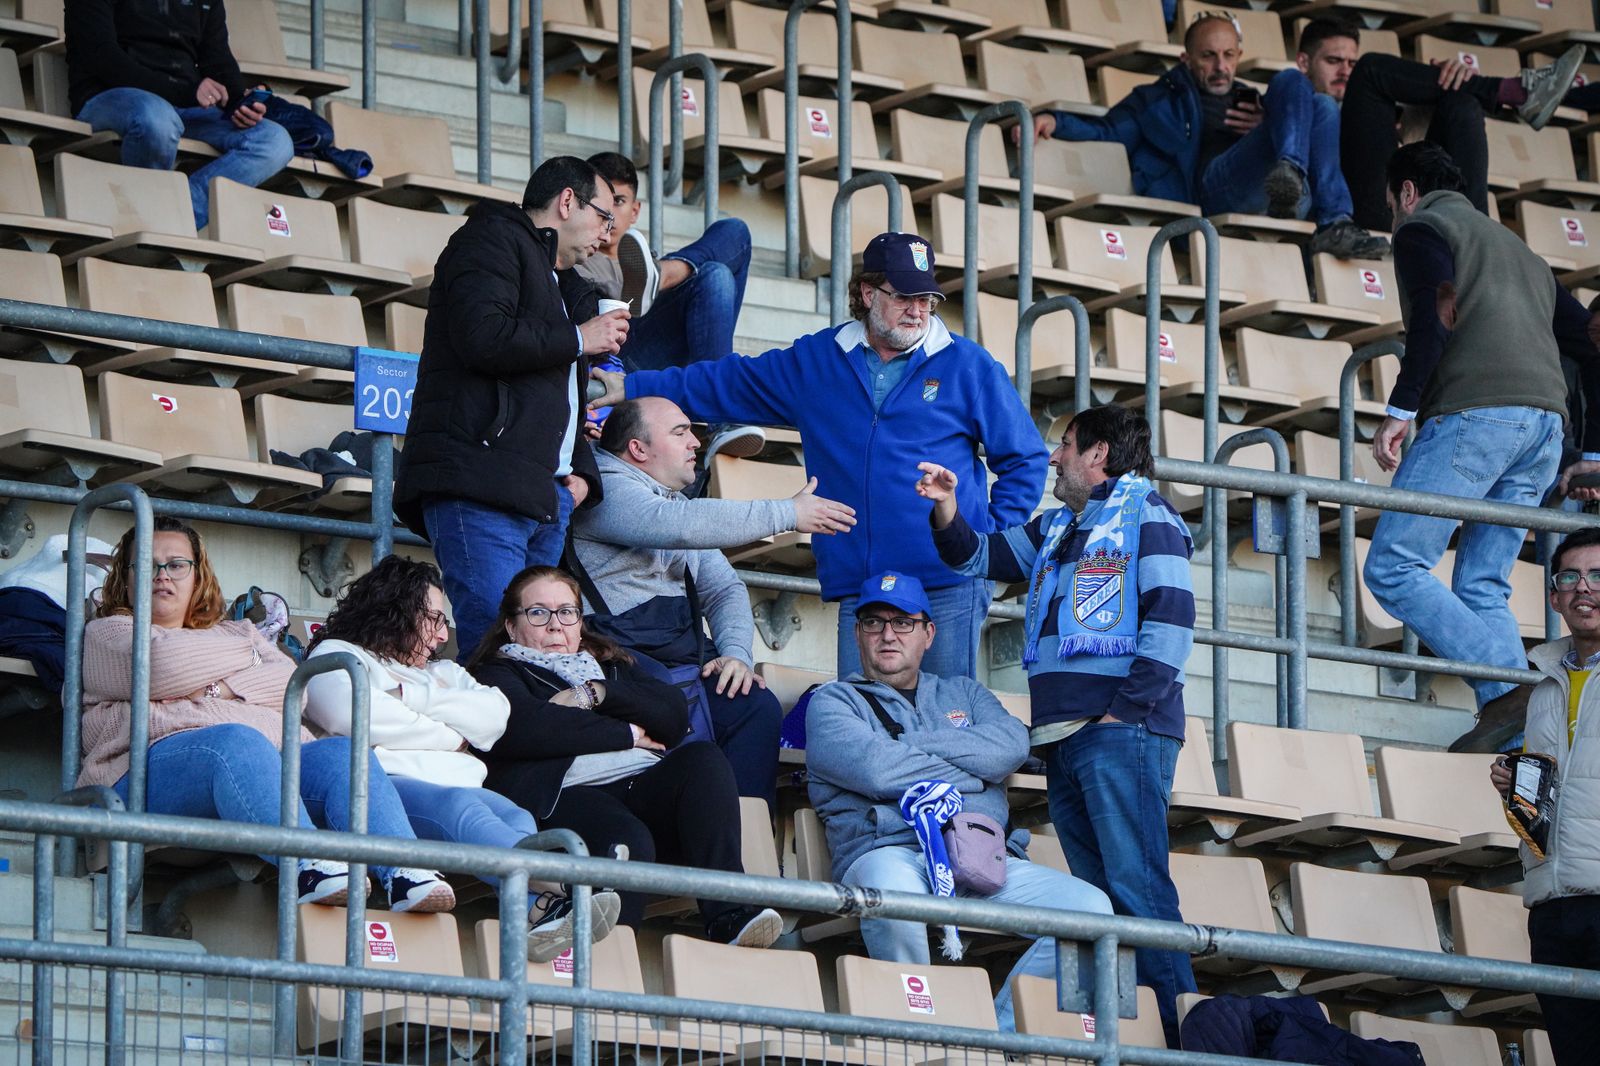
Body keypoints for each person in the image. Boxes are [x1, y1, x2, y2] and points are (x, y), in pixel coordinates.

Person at [589, 231, 1048, 680]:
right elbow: (728, 383)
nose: (917, 311)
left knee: (949, 724)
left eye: (926, 299)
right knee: (865, 731)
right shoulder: (819, 359)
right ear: (867, 293)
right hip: (861, 585)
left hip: (948, 583)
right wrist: (632, 386)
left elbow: (1025, 459)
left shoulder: (969, 364)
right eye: (903, 296)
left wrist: (986, 552)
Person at [920, 404, 1197, 1047]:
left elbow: (1171, 619)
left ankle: (1185, 1037)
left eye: (1066, 445)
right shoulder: (1056, 528)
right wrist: (945, 508)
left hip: (1119, 734)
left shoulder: (1147, 515)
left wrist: (1122, 711)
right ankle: (1123, 1039)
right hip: (1067, 739)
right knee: (1099, 900)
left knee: (1139, 891)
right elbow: (977, 559)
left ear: (1099, 455)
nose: (1054, 457)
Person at [78, 517, 454, 913]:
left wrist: (212, 685)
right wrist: (249, 653)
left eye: (176, 564)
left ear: (197, 574)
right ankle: (305, 865)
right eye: (146, 565)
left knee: (341, 753)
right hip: (138, 777)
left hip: (252, 771)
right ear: (126, 576)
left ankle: (406, 872)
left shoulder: (233, 631)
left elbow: (293, 687)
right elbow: (162, 664)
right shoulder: (110, 631)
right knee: (236, 739)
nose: (162, 576)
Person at [1363, 142, 1598, 754]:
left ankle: (1519, 691)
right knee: (1483, 587)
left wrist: (1399, 409)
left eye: (1392, 204)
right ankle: (1515, 716)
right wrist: (1594, 450)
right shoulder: (1523, 253)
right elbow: (1591, 348)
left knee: (1393, 565)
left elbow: (1434, 316)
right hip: (1544, 430)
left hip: (1476, 417)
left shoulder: (1422, 228)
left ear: (1407, 192)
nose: (1394, 216)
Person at [806, 570, 1114, 1032]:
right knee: (895, 897)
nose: (888, 634)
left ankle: (1000, 1036)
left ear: (928, 634)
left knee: (1093, 913)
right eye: (873, 622)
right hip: (891, 852)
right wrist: (973, 771)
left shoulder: (964, 693)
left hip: (979, 856)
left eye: (903, 622)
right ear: (858, 633)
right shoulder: (834, 701)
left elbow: (1011, 747)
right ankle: (916, 1037)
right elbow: (875, 770)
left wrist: (915, 744)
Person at [303, 555, 621, 962]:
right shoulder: (337, 654)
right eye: (433, 619)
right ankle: (563, 885)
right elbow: (350, 714)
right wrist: (451, 735)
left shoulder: (443, 673)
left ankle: (535, 912)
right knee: (459, 809)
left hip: (461, 784)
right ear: (395, 610)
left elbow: (494, 718)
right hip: (385, 787)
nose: (440, 636)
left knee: (515, 817)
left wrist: (412, 700)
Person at [466, 565, 784, 947]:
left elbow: (672, 714)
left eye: (567, 612)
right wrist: (628, 732)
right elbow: (530, 728)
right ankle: (614, 970)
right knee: (628, 839)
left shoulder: (611, 666)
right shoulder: (495, 674)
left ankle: (729, 915)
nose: (555, 625)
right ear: (512, 626)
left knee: (704, 758)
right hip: (565, 794)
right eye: (538, 613)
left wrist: (598, 693)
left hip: (640, 785)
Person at [394, 155, 629, 657]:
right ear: (567, 201)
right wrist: (577, 337)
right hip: (481, 485)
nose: (607, 235)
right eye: (605, 216)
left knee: (539, 658)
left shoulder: (565, 284)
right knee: (496, 650)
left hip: (545, 496)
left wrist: (582, 475)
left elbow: (564, 397)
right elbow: (483, 337)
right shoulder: (489, 239)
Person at [571, 397, 856, 808]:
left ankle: (746, 846)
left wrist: (736, 655)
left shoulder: (677, 503)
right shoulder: (602, 488)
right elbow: (677, 528)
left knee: (754, 705)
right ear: (638, 449)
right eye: (680, 432)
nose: (696, 442)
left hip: (680, 660)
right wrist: (787, 513)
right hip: (616, 665)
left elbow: (724, 589)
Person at [1023, 12, 1387, 259]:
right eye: (1208, 56)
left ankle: (1334, 222)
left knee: (1320, 103)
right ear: (1186, 59)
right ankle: (1290, 173)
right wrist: (1057, 121)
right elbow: (1108, 129)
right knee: (1292, 80)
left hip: (1279, 198)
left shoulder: (1252, 98)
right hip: (1215, 191)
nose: (1220, 66)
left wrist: (1270, 124)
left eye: (1229, 55)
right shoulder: (1160, 100)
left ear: (1239, 55)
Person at [578, 151, 766, 475]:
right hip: (623, 355)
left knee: (733, 235)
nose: (609, 214)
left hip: (672, 353)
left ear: (635, 211)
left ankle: (662, 274)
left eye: (619, 201)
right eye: (602, 203)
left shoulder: (636, 255)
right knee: (714, 274)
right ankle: (723, 415)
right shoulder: (577, 253)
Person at [1489, 527, 1600, 1066]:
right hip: (1553, 904)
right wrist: (1517, 789)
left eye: (1599, 576)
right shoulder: (1543, 682)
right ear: (1554, 596)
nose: (1585, 588)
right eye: (1570, 577)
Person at [65, 0, 293, 231]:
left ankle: (174, 217)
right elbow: (102, 58)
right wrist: (186, 93)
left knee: (275, 141)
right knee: (158, 119)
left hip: (183, 106)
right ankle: (152, 223)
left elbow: (217, 58)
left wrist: (238, 103)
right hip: (109, 97)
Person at [1340, 36, 1585, 233]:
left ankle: (1478, 234)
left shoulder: (1379, 109)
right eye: (1332, 61)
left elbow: (1414, 141)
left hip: (1421, 203)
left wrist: (1437, 85)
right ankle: (1513, 91)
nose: (1343, 72)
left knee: (1461, 102)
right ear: (1304, 63)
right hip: (1374, 208)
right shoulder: (1316, 106)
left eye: (1350, 63)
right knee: (1370, 68)